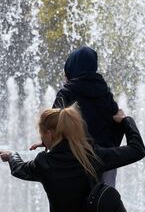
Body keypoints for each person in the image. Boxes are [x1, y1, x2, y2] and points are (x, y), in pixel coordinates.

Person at [0, 104, 145, 212]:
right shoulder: (91, 155)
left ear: (50, 134)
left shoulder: (45, 163)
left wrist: (11, 155)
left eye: (42, 134)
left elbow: (19, 169)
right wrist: (126, 121)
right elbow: (137, 150)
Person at [52, 46, 124, 188]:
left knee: (78, 203)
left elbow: (53, 122)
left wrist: (48, 142)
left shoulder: (67, 92)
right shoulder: (105, 93)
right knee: (104, 200)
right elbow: (116, 122)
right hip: (105, 157)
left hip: (76, 156)